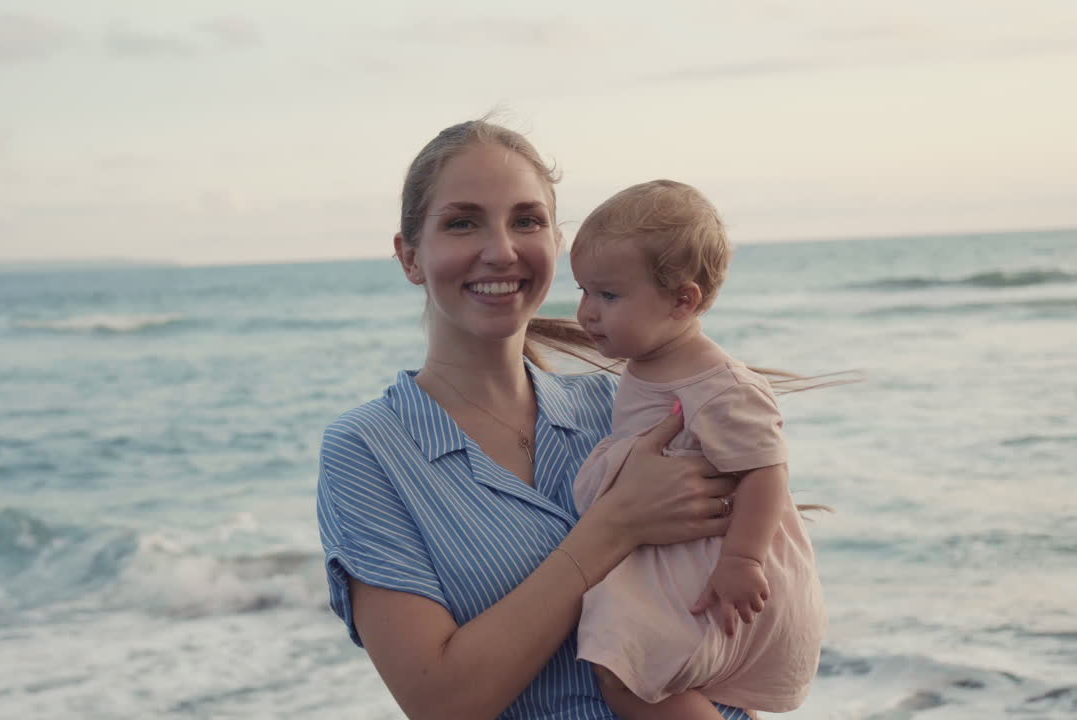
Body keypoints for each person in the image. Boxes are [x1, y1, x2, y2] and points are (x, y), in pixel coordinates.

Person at [316, 119, 753, 719]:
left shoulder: (625, 407)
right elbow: (441, 702)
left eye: (527, 221)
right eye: (463, 222)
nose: (502, 250)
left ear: (557, 242)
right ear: (410, 256)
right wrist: (614, 528)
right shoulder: (369, 450)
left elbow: (733, 624)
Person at [568, 180, 828, 717]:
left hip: (716, 565)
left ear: (682, 300)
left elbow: (767, 472)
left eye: (608, 295)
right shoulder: (650, 364)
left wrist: (742, 559)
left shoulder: (719, 385)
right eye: (584, 291)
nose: (586, 312)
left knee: (625, 672)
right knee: (624, 666)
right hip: (676, 553)